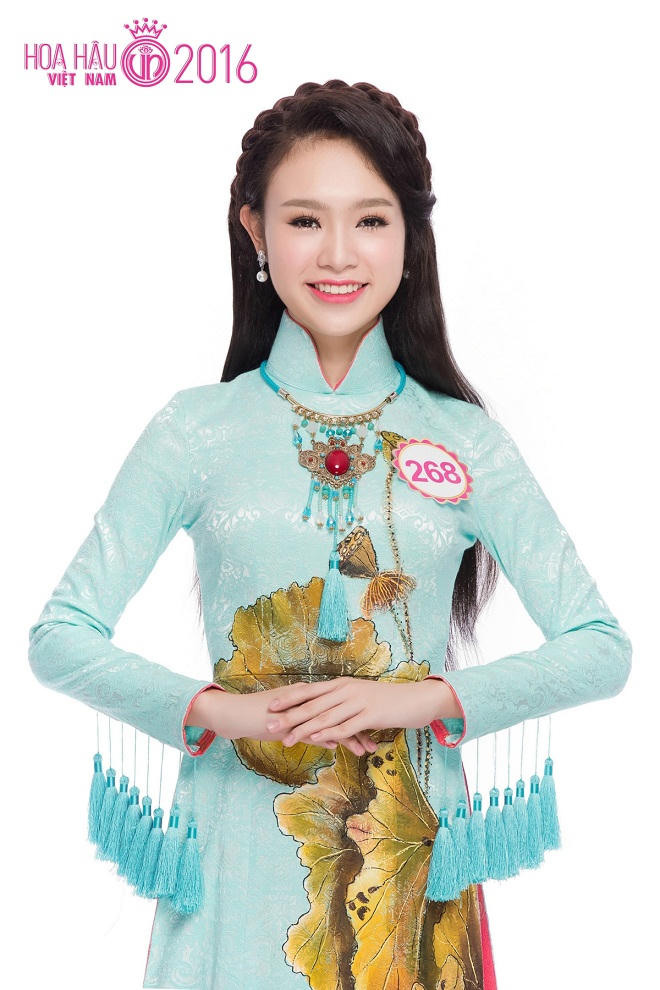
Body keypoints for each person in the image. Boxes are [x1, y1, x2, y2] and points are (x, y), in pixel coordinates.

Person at [27, 79, 632, 990]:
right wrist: (221, 713)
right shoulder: (196, 430)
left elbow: (600, 648)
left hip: (406, 861)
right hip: (231, 850)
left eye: (372, 221)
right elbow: (60, 635)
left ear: (411, 238)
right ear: (255, 232)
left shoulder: (465, 440)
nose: (339, 254)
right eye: (305, 220)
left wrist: (419, 700)